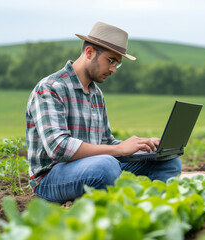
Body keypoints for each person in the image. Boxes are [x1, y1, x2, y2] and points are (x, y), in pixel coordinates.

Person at [25, 22, 181, 203]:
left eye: (118, 64)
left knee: (167, 160)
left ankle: (150, 212)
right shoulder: (50, 89)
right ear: (89, 52)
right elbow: (58, 147)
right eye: (111, 60)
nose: (113, 69)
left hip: (95, 166)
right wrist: (118, 149)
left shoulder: (96, 94)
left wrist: (143, 147)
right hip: (51, 178)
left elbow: (105, 142)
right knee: (106, 166)